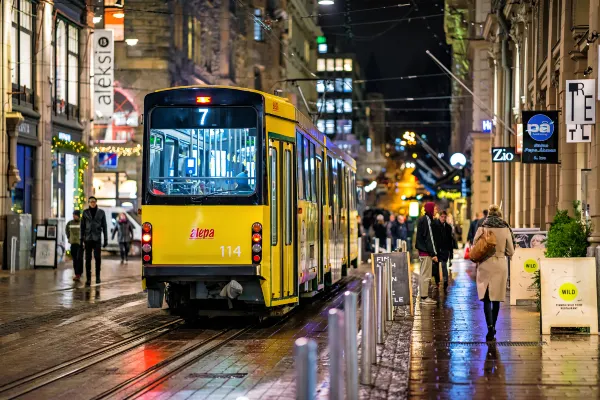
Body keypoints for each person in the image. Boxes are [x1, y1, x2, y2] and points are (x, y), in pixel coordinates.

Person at [473, 204, 515, 341]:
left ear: (489, 214)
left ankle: (490, 327)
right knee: (496, 298)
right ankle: (493, 327)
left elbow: (475, 246)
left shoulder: (482, 227)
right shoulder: (505, 228)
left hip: (485, 264)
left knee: (486, 298)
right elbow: (511, 251)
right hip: (500, 265)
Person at [81, 196, 108, 286]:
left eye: (94, 202)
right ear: (88, 203)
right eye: (91, 202)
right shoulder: (85, 213)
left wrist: (106, 239)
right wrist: (81, 239)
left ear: (96, 202)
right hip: (88, 238)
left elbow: (104, 226)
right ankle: (88, 278)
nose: (92, 203)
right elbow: (82, 227)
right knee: (87, 259)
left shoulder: (101, 212)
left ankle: (97, 277)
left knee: (98, 258)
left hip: (97, 238)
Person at [415, 202, 438, 305]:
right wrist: (433, 254)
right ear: (430, 209)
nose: (436, 210)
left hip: (423, 251)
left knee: (423, 274)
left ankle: (423, 296)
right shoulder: (427, 220)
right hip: (426, 252)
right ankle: (424, 297)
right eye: (435, 208)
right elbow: (430, 238)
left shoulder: (424, 219)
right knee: (425, 275)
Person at [433, 211, 453, 290]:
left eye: (445, 217)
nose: (443, 218)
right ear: (439, 216)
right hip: (437, 249)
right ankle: (437, 282)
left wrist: (451, 253)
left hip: (445, 249)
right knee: (436, 267)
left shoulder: (448, 227)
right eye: (442, 217)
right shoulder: (434, 226)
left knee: (444, 266)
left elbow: (450, 241)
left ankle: (445, 281)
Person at [66, 210, 83, 281]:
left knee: (79, 259)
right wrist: (69, 238)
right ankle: (77, 274)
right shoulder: (70, 223)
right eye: (73, 215)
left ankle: (79, 273)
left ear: (78, 215)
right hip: (73, 244)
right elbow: (67, 231)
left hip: (80, 244)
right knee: (75, 260)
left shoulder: (82, 223)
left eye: (75, 215)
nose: (73, 216)